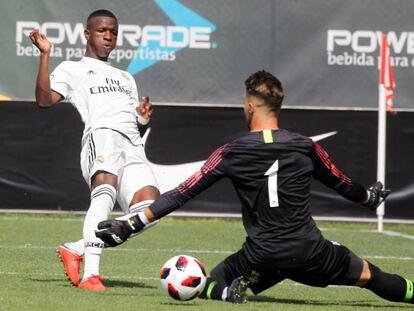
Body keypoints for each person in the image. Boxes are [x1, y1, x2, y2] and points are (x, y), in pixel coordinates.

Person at [96, 70, 414, 305]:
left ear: (250, 106)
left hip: (261, 257)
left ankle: (226, 292)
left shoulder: (231, 152)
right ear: (278, 106)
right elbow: (345, 186)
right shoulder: (305, 147)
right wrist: (370, 198)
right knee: (373, 278)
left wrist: (130, 224)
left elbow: (182, 193)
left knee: (210, 284)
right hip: (312, 252)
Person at [29, 9, 160, 291]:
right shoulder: (72, 68)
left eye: (113, 32)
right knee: (104, 195)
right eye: (102, 31)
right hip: (102, 137)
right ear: (87, 34)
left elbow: (135, 126)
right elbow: (43, 100)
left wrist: (143, 117)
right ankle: (91, 275)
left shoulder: (127, 78)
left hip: (132, 146)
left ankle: (77, 248)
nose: (109, 37)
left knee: (151, 210)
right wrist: (44, 54)